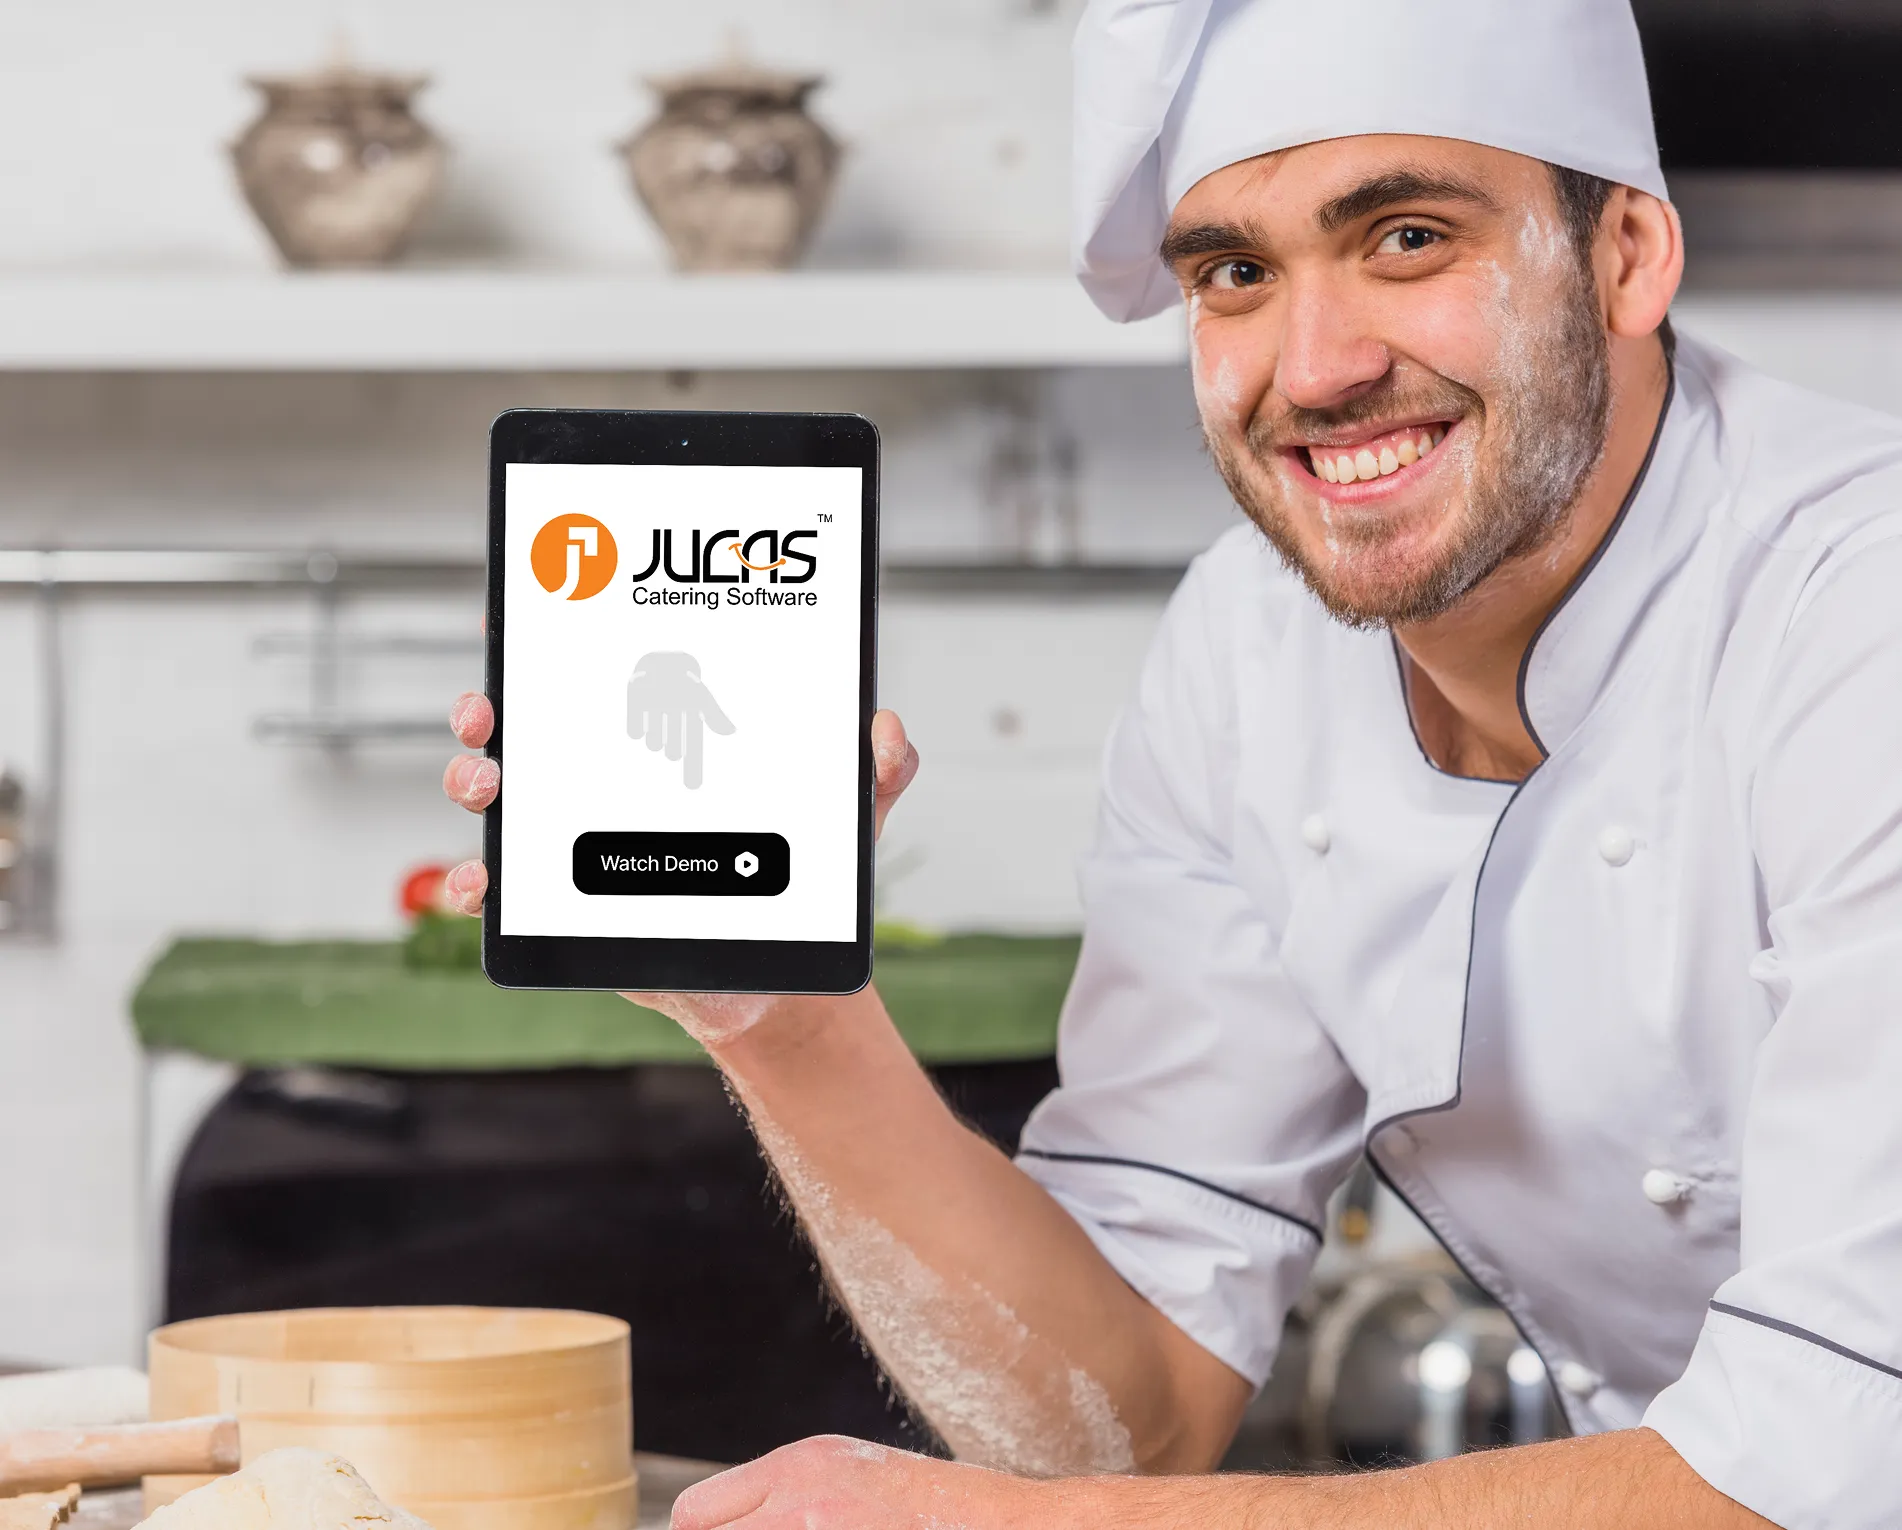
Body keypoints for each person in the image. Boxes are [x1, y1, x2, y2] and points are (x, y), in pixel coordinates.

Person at [442, 1, 1902, 1524]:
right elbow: (1113, 1417)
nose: (1316, 367)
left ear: (1625, 258)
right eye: (1234, 274)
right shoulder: (1247, 650)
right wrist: (786, 1018)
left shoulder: (1858, 613)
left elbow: (1834, 1448)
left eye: (1406, 237)